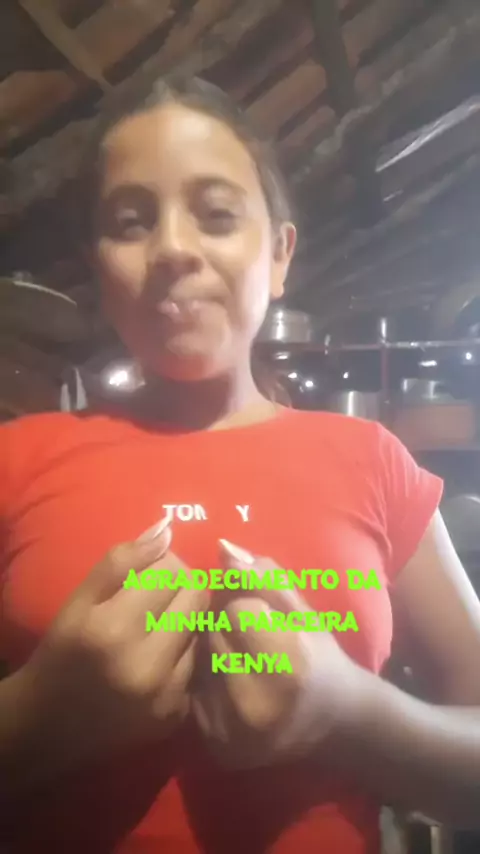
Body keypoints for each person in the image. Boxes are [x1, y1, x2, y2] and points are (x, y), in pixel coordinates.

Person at [1, 75, 480, 854]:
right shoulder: (16, 460)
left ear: (279, 255)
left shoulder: (373, 461)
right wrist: (40, 716)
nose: (173, 249)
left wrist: (349, 712)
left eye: (217, 215)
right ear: (98, 268)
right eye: (130, 222)